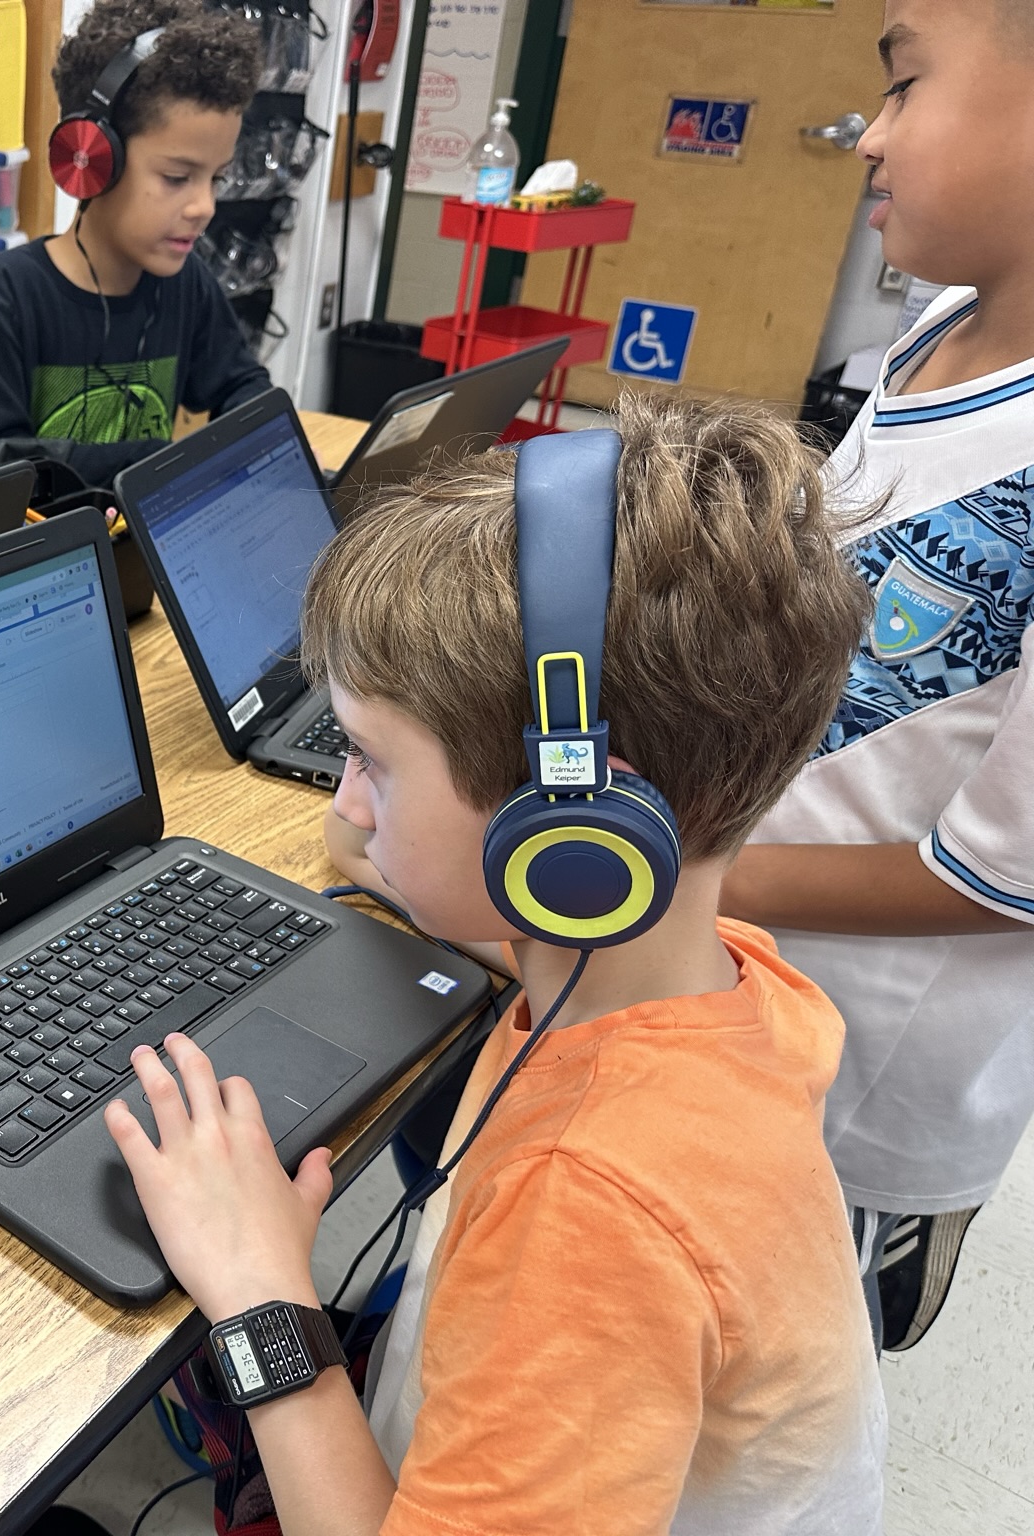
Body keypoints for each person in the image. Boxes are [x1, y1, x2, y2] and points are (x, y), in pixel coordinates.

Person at [109, 394, 886, 1531]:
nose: (343, 802)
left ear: (567, 827)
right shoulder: (728, 978)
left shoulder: (585, 1216)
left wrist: (259, 1288)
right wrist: (401, 856)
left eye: (368, 761)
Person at [718, 0, 1034, 1353]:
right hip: (744, 968)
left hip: (862, 1095)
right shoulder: (935, 334)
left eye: (906, 86)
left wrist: (669, 878)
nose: (870, 136)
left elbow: (997, 879)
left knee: (761, 1392)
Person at [0, 0, 270, 487]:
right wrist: (154, 460)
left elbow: (244, 387)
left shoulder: (188, 284)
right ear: (95, 159)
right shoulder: (12, 293)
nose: (204, 206)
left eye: (217, 179)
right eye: (177, 177)